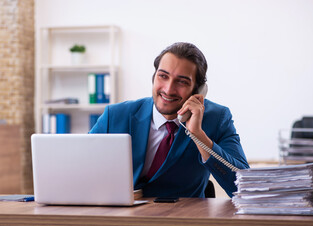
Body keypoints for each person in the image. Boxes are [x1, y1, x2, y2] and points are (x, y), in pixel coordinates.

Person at [90, 42, 249, 198]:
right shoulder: (116, 115)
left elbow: (244, 188)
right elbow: (81, 168)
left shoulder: (217, 119)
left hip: (182, 220)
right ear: (154, 77)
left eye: (182, 81)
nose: (168, 89)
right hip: (121, 218)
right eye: (163, 76)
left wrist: (198, 135)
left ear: (198, 90)